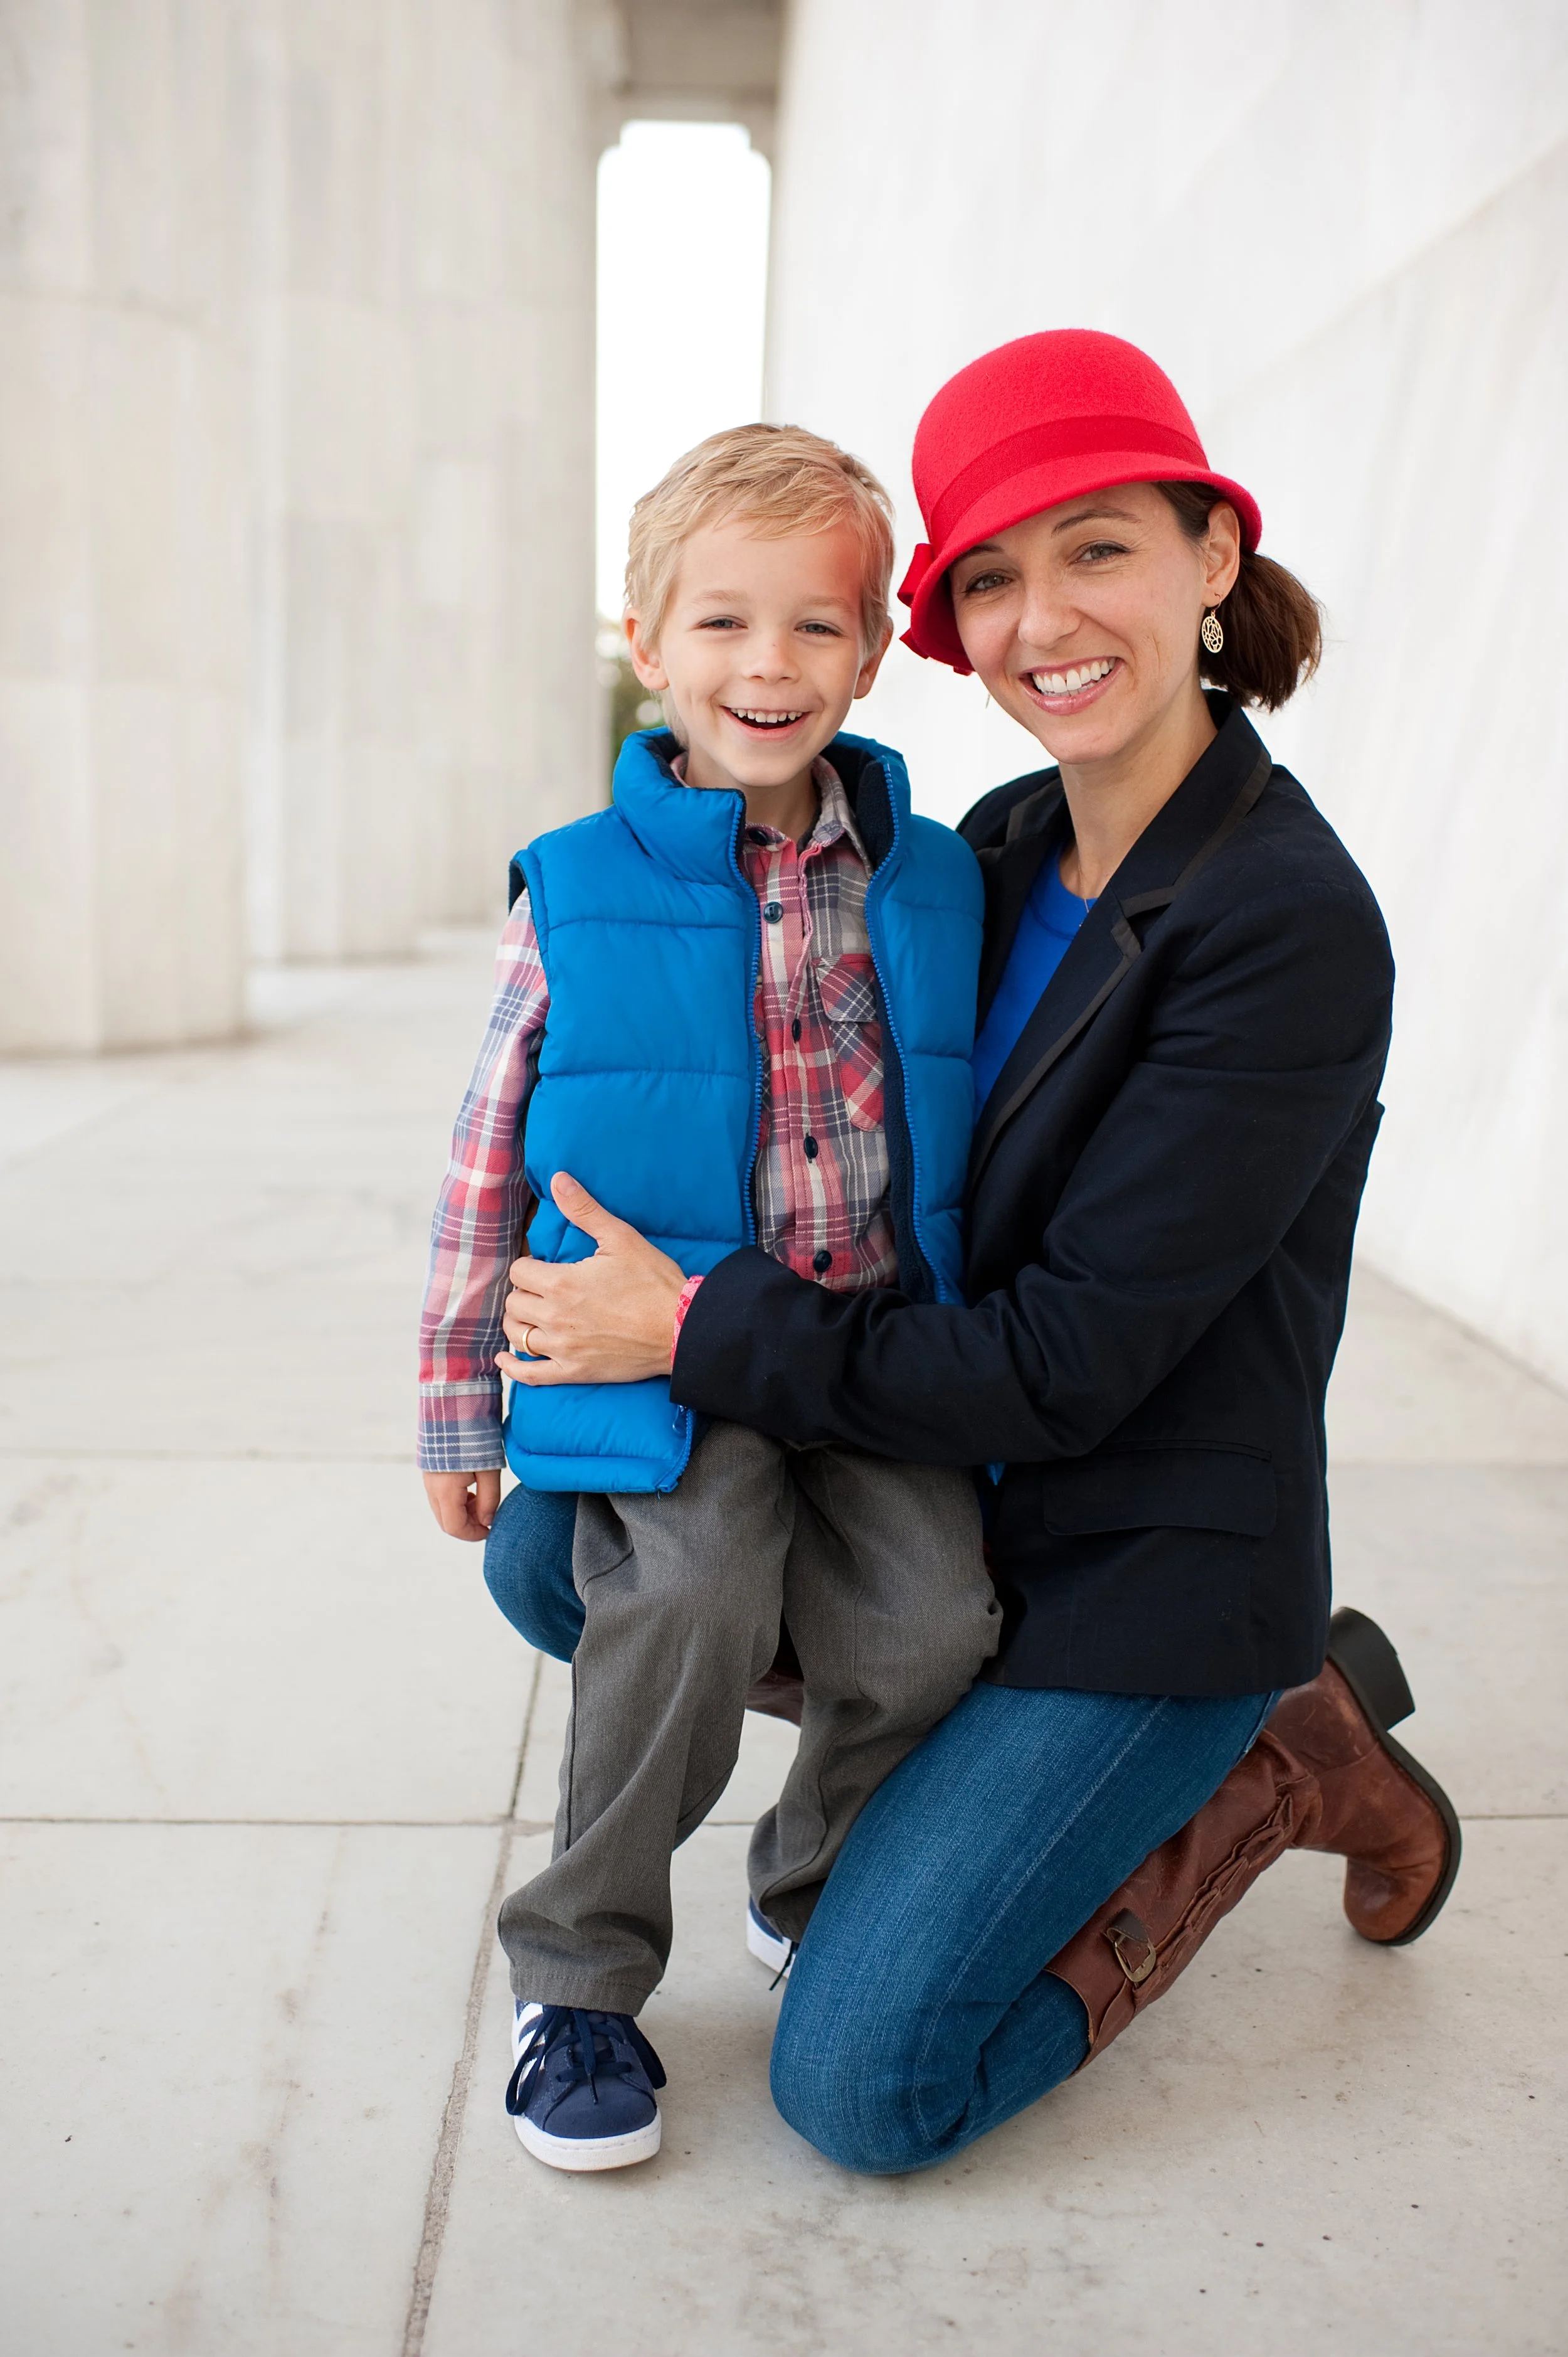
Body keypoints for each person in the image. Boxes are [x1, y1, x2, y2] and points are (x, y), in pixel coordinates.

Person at [497, 331, 1462, 2174]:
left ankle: (1271, 1757)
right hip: (951, 1482)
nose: (1043, 618)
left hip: (1135, 1555)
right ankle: (928, 1777)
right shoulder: (991, 847)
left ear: (1209, 560)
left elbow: (1064, 1361)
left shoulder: (1281, 921)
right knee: (573, 1551)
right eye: (994, 576)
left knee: (863, 2089)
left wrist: (691, 1322)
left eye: (1096, 549)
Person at [417, 423, 1000, 2173]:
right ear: (646, 638)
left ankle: (815, 1877)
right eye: (724, 624)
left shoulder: (928, 872)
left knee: (930, 1626)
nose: (769, 667)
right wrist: (457, 1403)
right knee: (683, 1598)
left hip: (864, 1353)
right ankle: (578, 1973)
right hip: (655, 1371)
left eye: (815, 627)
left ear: (873, 651)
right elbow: (481, 1160)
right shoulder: (579, 888)